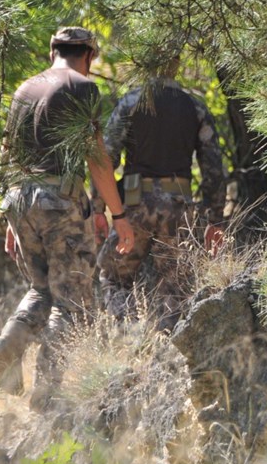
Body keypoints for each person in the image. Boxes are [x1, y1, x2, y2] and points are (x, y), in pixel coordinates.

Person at [0, 26, 135, 408]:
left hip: (19, 202)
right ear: (89, 55)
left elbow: (6, 157)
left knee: (41, 290)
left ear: (52, 49)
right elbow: (98, 158)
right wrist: (117, 214)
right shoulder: (81, 88)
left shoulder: (23, 90)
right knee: (72, 304)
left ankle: (8, 342)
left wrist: (10, 222)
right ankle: (48, 394)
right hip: (60, 202)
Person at [93, 62, 225, 331]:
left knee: (114, 277)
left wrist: (98, 207)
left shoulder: (130, 102)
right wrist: (215, 219)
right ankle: (169, 352)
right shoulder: (195, 107)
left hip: (133, 206)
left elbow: (105, 157)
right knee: (176, 287)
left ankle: (129, 337)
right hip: (178, 208)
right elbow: (213, 167)